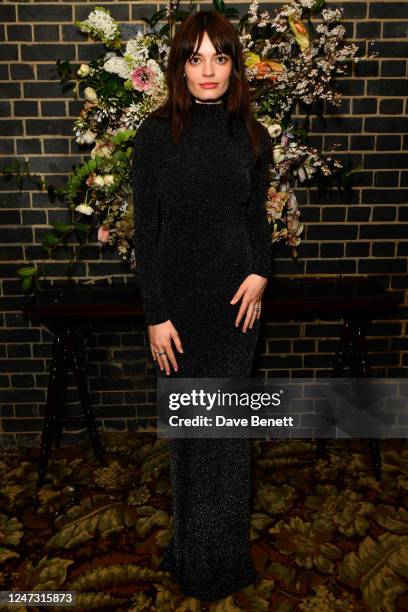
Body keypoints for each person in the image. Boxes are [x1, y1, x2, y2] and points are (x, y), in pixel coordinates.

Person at [131, 10, 272, 602]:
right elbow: (145, 232)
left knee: (226, 436)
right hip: (180, 311)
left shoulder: (251, 135)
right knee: (192, 434)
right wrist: (155, 316)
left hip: (237, 308)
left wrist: (262, 273)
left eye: (220, 57)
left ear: (234, 64)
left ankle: (222, 560)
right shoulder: (155, 137)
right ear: (180, 67)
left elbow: (257, 222)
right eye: (196, 58)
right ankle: (192, 553)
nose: (208, 70)